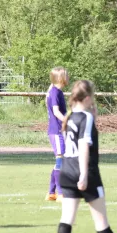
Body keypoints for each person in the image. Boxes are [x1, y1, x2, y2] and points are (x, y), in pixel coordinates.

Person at [54, 80, 117, 233]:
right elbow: (83, 147)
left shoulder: (70, 116)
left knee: (67, 218)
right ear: (87, 98)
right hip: (85, 173)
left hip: (66, 171)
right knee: (100, 220)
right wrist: (83, 175)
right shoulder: (86, 117)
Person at [45, 67, 69, 202]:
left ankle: (51, 193)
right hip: (56, 131)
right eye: (66, 75)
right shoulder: (55, 92)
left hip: (59, 130)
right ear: (60, 78)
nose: (68, 77)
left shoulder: (56, 91)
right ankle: (60, 193)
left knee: (60, 161)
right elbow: (56, 111)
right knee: (60, 160)